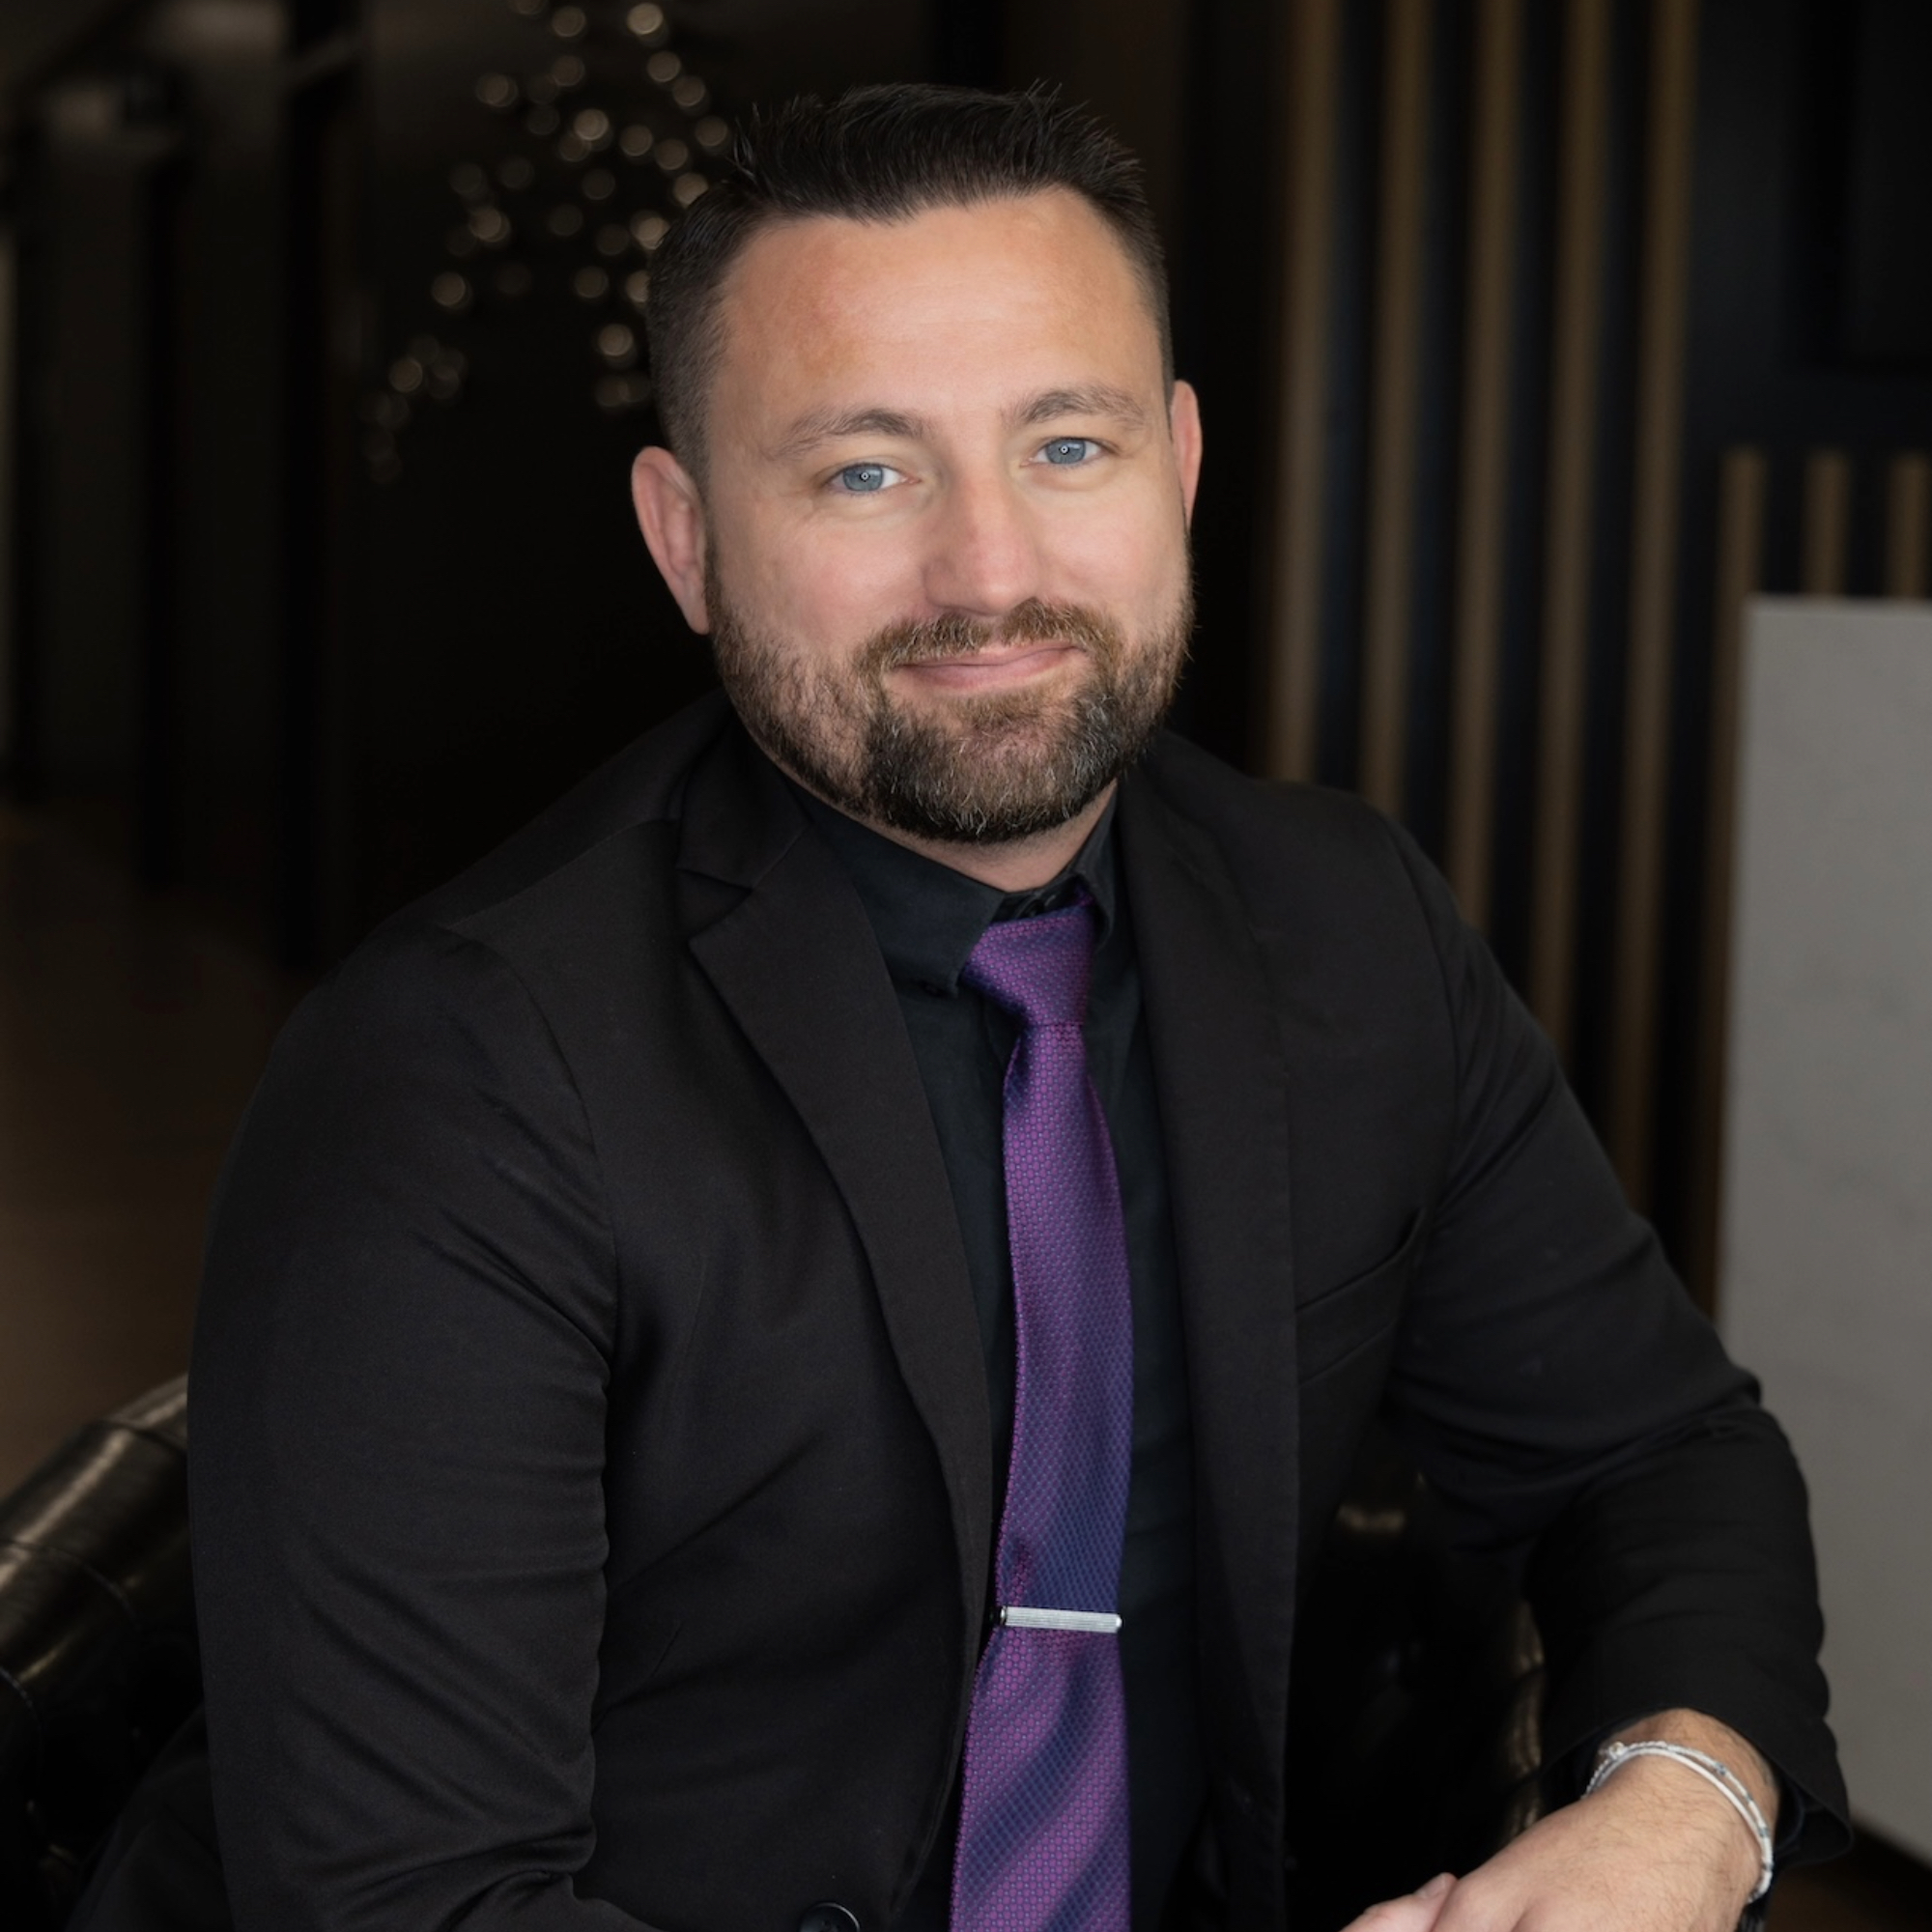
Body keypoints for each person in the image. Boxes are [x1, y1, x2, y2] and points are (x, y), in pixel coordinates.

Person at [132, 84, 1843, 1932]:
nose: (993, 573)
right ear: (687, 538)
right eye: (866, 472)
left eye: (1069, 445)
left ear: (1182, 463)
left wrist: (1685, 1810)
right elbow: (413, 1901)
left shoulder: (1347, 926)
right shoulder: (460, 1067)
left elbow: (1657, 1453)